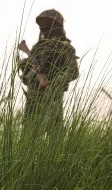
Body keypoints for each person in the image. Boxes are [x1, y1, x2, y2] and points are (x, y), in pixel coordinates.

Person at [17, 9, 80, 141]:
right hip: (33, 96)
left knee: (54, 134)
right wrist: (29, 71)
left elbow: (73, 71)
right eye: (42, 23)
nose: (43, 26)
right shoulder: (37, 47)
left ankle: (54, 162)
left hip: (53, 96)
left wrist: (54, 81)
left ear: (56, 25)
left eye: (47, 22)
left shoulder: (65, 47)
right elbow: (27, 74)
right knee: (28, 134)